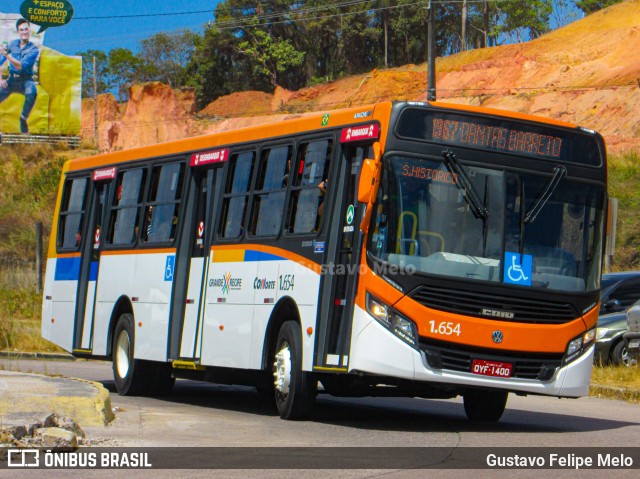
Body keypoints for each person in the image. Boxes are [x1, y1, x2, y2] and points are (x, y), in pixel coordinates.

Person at [0, 19, 39, 134]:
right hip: (12, 80)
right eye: (21, 30)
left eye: (26, 29)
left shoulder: (33, 49)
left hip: (26, 80)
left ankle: (23, 119)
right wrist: (1, 79)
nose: (24, 32)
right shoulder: (12, 44)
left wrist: (6, 54)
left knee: (32, 92)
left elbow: (20, 66)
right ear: (18, 32)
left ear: (30, 31)